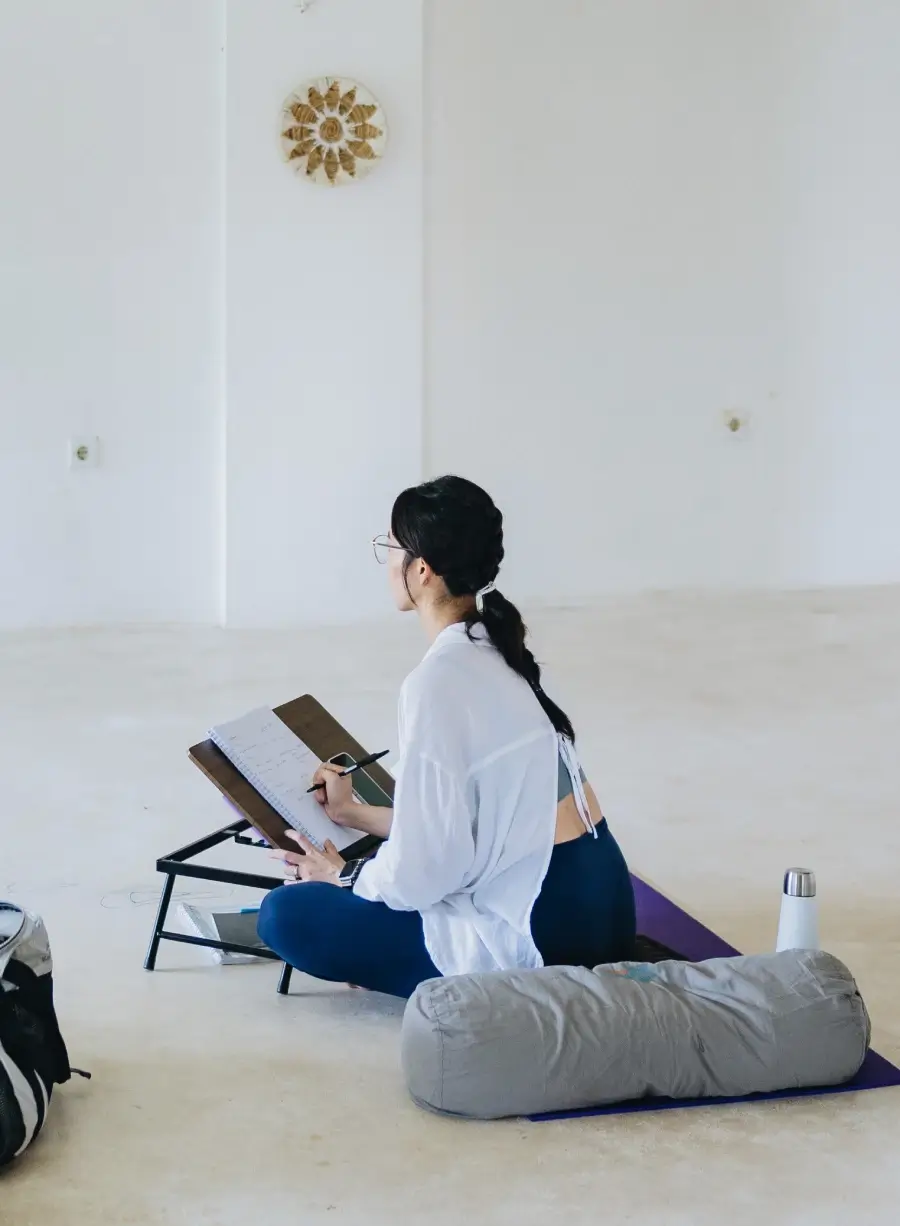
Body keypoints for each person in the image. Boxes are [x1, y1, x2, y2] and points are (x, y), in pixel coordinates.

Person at [257, 476, 636, 997]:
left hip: (546, 936)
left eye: (390, 546)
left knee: (284, 914)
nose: (386, 560)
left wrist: (344, 874)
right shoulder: (498, 649)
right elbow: (477, 824)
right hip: (605, 907)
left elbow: (424, 871)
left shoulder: (435, 684)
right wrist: (354, 815)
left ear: (421, 570)